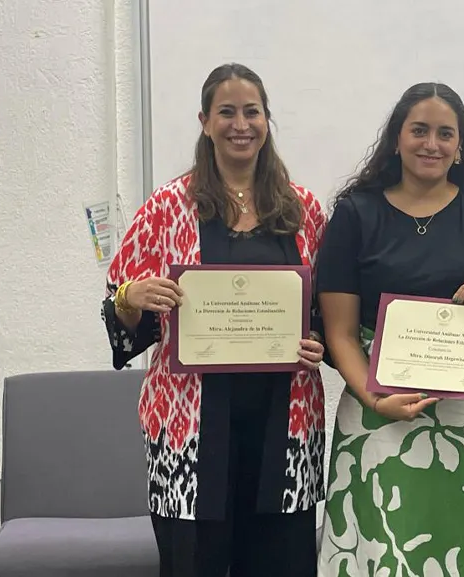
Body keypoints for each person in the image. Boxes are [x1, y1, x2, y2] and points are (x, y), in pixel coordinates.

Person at [101, 63, 328, 577]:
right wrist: (131, 296)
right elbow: (119, 304)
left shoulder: (304, 209)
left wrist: (318, 342)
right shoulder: (165, 206)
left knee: (281, 562)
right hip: (188, 427)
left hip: (285, 423)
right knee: (193, 563)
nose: (240, 124)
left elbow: (324, 312)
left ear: (267, 120)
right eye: (227, 112)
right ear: (205, 121)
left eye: (252, 112)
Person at [314, 82, 464, 576]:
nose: (432, 144)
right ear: (396, 138)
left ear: (460, 146)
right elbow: (339, 331)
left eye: (446, 134)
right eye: (419, 130)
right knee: (387, 548)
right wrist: (376, 400)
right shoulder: (356, 212)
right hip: (382, 412)